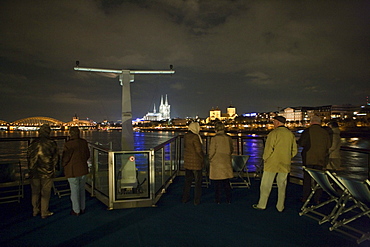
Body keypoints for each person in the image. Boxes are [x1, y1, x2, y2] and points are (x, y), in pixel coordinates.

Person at [252, 116, 297, 212]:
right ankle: (280, 206)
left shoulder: (273, 133)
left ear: (277, 122)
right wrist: (288, 157)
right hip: (285, 162)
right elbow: (294, 150)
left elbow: (269, 149)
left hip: (272, 163)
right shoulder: (290, 134)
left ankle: (262, 204)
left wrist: (265, 158)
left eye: (274, 121)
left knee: (266, 185)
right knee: (282, 185)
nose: (273, 123)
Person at [27, 124, 59, 219]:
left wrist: (30, 168)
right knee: (45, 192)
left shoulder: (33, 142)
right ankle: (44, 212)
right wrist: (55, 167)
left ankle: (35, 210)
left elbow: (29, 156)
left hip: (34, 171)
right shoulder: (51, 143)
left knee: (35, 191)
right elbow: (56, 157)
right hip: (47, 171)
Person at [298, 115, 331, 202]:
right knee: (319, 179)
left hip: (308, 158)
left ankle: (306, 197)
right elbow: (329, 145)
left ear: (311, 122)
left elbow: (302, 143)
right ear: (320, 122)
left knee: (307, 179)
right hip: (321, 158)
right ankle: (317, 198)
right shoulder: (325, 132)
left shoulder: (307, 131)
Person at [62, 126, 90, 216]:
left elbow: (66, 158)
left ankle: (76, 210)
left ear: (70, 133)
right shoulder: (83, 142)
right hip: (83, 169)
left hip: (72, 170)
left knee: (74, 191)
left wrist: (62, 165)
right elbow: (87, 155)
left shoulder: (68, 144)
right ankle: (82, 208)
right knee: (82, 189)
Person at [209, 122, 234, 204]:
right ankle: (229, 199)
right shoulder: (228, 138)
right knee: (226, 182)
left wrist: (209, 158)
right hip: (226, 161)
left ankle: (218, 200)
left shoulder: (214, 138)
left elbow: (212, 151)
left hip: (217, 162)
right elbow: (231, 149)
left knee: (217, 183)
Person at [182, 122, 204, 205]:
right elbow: (198, 150)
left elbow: (185, 147)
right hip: (196, 162)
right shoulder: (195, 137)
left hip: (188, 161)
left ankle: (185, 198)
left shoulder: (186, 136)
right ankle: (196, 200)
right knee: (198, 182)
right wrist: (203, 158)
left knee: (187, 181)